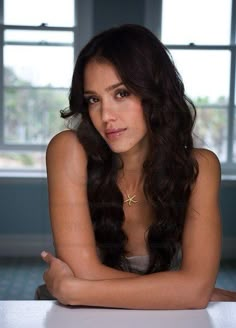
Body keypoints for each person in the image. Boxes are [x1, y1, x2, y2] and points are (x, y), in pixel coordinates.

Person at [37, 24, 236, 308]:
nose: (106, 115)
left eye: (121, 93)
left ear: (154, 93)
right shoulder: (68, 150)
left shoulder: (201, 167)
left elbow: (194, 291)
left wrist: (72, 290)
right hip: (83, 315)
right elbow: (83, 272)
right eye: (94, 99)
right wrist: (181, 291)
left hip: (140, 313)